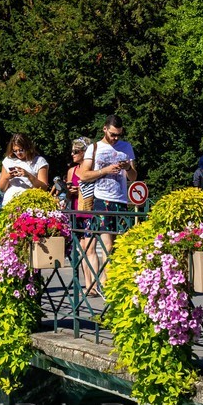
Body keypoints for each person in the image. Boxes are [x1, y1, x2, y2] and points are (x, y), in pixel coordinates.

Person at [80, 116, 137, 293]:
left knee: (119, 244)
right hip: (101, 199)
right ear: (105, 129)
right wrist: (105, 170)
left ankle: (117, 281)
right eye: (113, 134)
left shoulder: (126, 148)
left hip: (120, 200)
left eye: (119, 135)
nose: (115, 138)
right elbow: (83, 175)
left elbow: (134, 177)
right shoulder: (94, 148)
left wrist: (128, 167)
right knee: (107, 245)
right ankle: (106, 282)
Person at [0, 134, 51, 205]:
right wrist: (7, 177)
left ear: (28, 147)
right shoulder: (8, 160)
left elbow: (44, 187)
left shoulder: (39, 161)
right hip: (9, 202)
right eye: (15, 151)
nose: (18, 153)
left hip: (30, 203)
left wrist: (29, 176)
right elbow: (2, 188)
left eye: (21, 150)